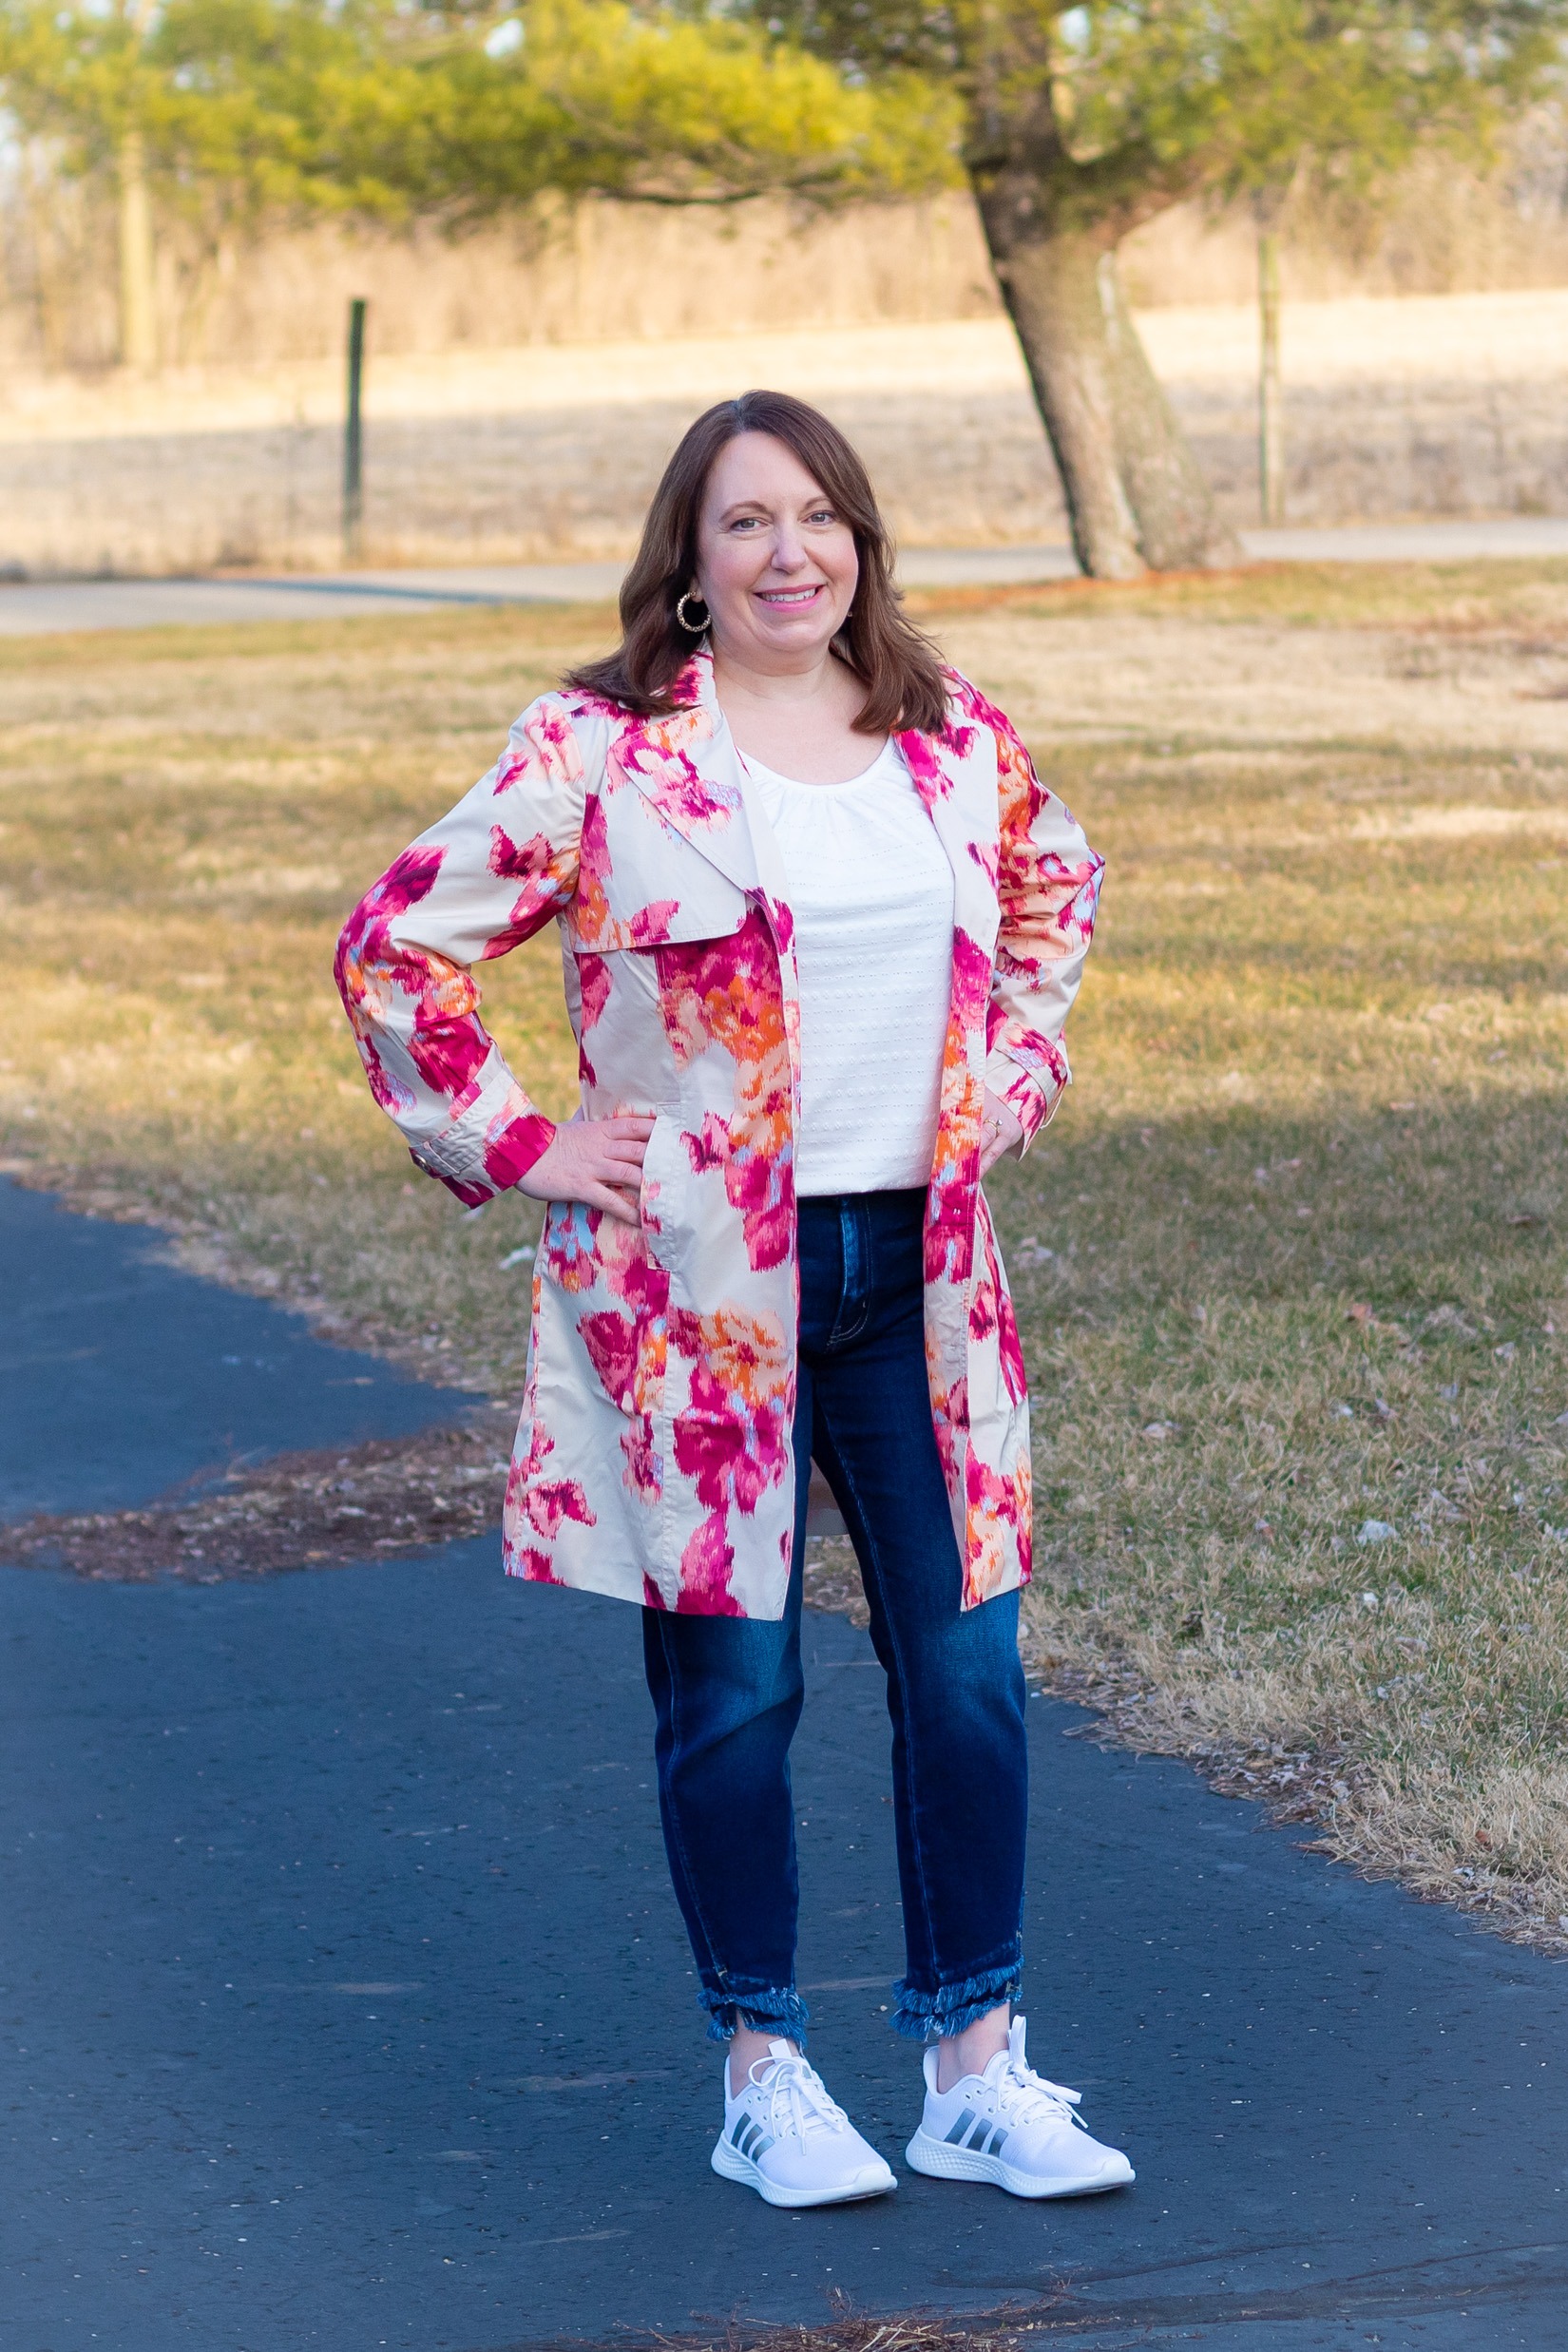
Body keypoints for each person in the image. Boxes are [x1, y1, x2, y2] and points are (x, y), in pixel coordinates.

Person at [336, 390, 1131, 2211]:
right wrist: (521, 1140)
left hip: (917, 1279)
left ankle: (974, 2066)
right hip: (697, 1305)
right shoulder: (602, 754)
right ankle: (764, 2072)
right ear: (688, 567)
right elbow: (398, 948)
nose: (793, 553)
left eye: (820, 518)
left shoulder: (948, 741)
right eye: (748, 523)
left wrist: (1007, 1083)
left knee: (967, 1676)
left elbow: (1055, 902)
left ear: (861, 541)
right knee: (735, 1693)